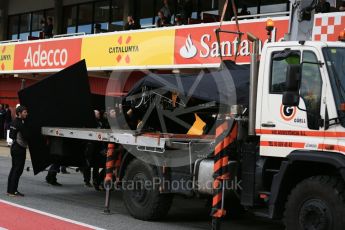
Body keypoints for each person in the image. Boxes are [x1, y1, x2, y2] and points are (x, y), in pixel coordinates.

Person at [7, 106, 29, 197]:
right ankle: (13, 191)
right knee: (17, 170)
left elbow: (11, 136)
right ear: (19, 113)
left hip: (14, 147)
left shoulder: (13, 122)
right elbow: (26, 136)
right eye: (25, 112)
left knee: (14, 169)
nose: (26, 114)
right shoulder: (20, 124)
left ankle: (11, 190)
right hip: (19, 148)